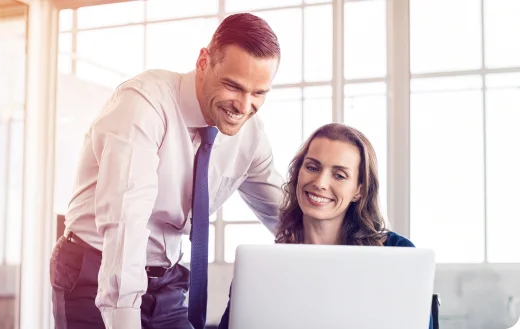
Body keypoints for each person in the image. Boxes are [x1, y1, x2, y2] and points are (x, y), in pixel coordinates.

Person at [50, 13, 284, 329]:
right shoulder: (145, 104)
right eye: (233, 86)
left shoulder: (250, 137)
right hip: (95, 267)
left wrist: (364, 257)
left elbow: (288, 218)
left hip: (167, 281)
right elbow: (125, 225)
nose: (243, 106)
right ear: (204, 62)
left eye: (258, 93)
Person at [217, 123, 434, 329]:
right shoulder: (261, 269)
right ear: (297, 174)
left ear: (359, 190)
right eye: (312, 167)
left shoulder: (397, 254)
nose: (320, 183)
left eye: (339, 175)